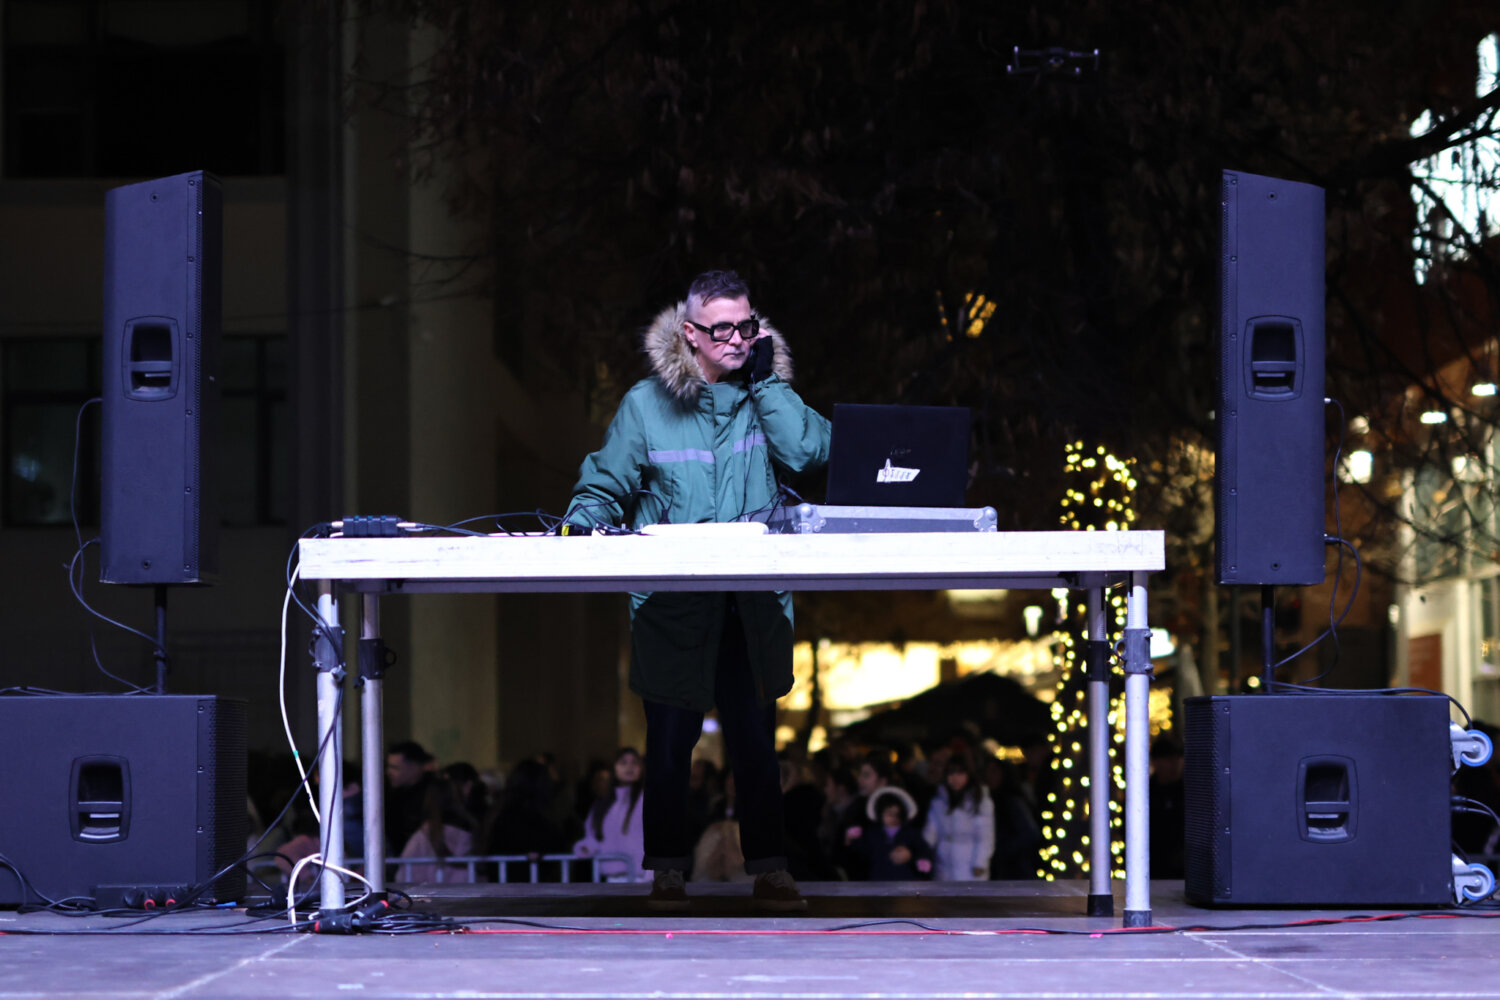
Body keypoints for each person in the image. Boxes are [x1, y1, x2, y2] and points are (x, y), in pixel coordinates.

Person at [565, 269, 832, 911]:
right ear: (690, 333)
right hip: (673, 604)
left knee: (755, 744)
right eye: (722, 329)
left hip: (752, 603)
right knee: (668, 744)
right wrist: (581, 519)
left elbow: (809, 452)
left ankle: (770, 869)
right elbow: (605, 482)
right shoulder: (646, 404)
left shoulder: (765, 397)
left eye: (747, 325)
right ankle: (667, 871)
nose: (738, 339)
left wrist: (768, 381)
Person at [572, 747, 649, 882]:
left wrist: (652, 873)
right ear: (614, 767)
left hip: (643, 878)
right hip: (613, 879)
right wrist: (586, 847)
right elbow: (593, 837)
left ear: (642, 768)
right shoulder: (603, 803)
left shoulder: (649, 799)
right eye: (623, 762)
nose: (629, 767)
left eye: (634, 763)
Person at [922, 751, 995, 881]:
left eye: (960, 773)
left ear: (969, 775)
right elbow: (930, 832)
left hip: (970, 868)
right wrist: (922, 853)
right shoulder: (938, 802)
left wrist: (980, 863)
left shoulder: (980, 801)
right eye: (951, 773)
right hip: (943, 867)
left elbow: (985, 836)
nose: (955, 778)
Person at [846, 786, 932, 881]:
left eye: (897, 815)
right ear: (880, 813)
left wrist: (918, 858)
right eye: (889, 814)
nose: (894, 818)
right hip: (879, 881)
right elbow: (860, 853)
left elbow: (922, 849)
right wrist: (852, 839)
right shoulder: (872, 833)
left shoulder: (911, 833)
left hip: (906, 881)